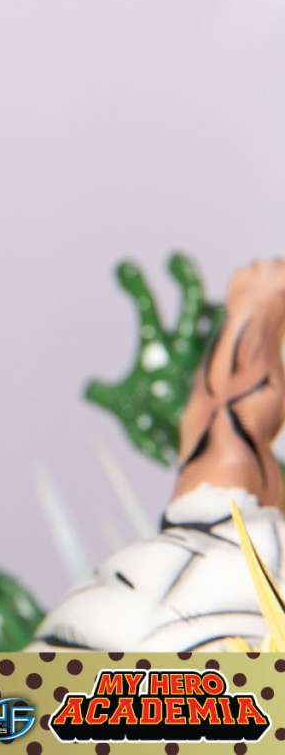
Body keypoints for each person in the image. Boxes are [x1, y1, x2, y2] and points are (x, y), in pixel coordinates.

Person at [29, 261, 285, 651]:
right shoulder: (234, 556)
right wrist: (257, 303)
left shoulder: (230, 554)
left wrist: (258, 301)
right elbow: (230, 417)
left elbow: (229, 415)